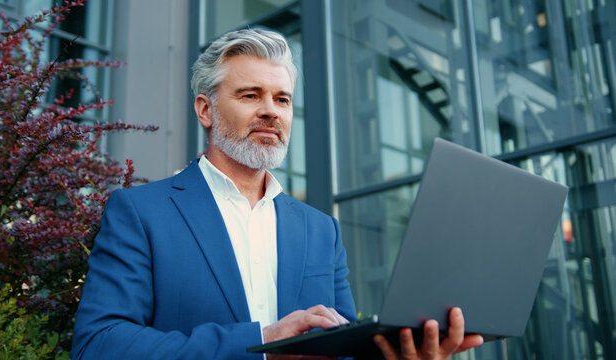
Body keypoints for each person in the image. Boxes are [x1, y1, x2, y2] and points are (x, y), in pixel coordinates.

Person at [71, 28, 483, 360]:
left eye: (282, 99)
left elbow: (344, 350)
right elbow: (99, 345)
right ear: (205, 110)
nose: (270, 110)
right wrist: (262, 344)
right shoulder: (141, 213)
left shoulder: (322, 231)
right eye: (251, 95)